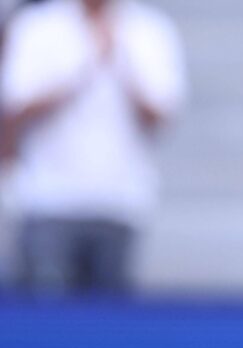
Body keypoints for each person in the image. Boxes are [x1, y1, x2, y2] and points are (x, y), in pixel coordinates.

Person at [0, 0, 185, 294]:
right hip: (50, 198)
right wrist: (83, 65)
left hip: (120, 200)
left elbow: (161, 115)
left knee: (108, 323)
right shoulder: (37, 27)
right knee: (47, 316)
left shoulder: (148, 29)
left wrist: (119, 61)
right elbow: (14, 107)